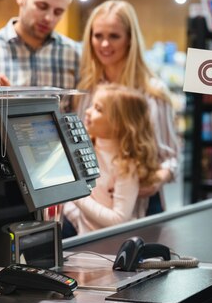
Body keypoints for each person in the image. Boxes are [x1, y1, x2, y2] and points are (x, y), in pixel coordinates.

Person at [74, 0, 179, 214]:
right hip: (94, 205)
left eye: (114, 36)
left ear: (130, 39)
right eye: (98, 36)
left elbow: (171, 157)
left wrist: (157, 179)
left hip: (142, 205)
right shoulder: (87, 89)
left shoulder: (153, 93)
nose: (104, 44)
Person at [63, 84, 160, 234]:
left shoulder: (125, 165)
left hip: (112, 249)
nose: (88, 112)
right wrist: (77, 219)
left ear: (119, 124)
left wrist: (76, 196)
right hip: (85, 244)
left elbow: (118, 219)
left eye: (98, 109)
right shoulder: (86, 150)